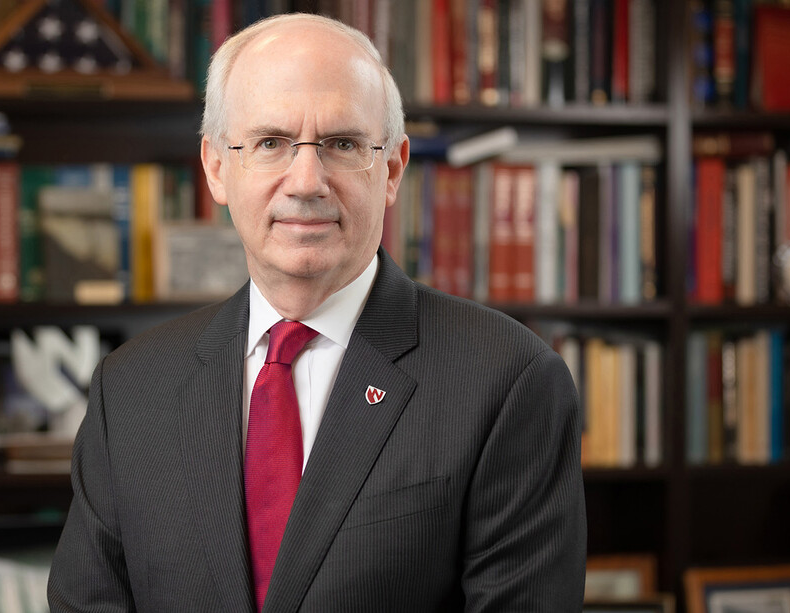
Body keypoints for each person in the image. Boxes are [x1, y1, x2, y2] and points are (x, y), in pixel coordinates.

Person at [48, 13, 585, 612]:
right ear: (217, 167)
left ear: (393, 168)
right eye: (271, 142)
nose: (306, 180)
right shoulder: (131, 388)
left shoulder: (508, 380)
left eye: (343, 144)